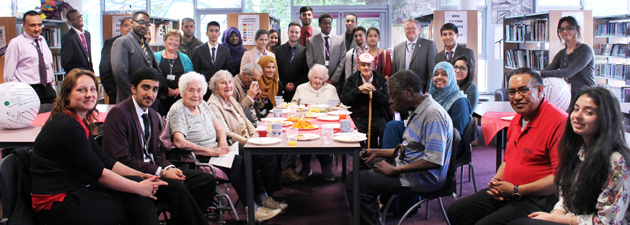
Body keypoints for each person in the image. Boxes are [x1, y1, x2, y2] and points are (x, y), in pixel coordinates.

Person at [31, 69, 167, 225]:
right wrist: (138, 187)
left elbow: (104, 160)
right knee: (134, 201)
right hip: (57, 202)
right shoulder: (67, 126)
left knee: (135, 194)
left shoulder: (77, 121)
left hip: (76, 189)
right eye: (81, 90)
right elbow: (98, 172)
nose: (89, 94)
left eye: (93, 89)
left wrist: (140, 175)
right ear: (67, 94)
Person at [447, 67, 568, 225]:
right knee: (456, 211)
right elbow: (508, 161)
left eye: (523, 90)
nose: (517, 97)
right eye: (512, 92)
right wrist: (496, 181)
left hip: (537, 198)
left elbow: (559, 179)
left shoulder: (559, 122)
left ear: (539, 90)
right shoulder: (517, 119)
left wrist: (516, 190)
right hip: (509, 191)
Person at [103, 68, 216, 225]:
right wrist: (161, 172)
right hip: (134, 175)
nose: (150, 94)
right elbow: (121, 159)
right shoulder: (119, 114)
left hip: (155, 170)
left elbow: (157, 154)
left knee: (206, 181)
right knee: (177, 187)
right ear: (133, 88)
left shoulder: (153, 116)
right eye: (145, 87)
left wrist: (169, 168)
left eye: (155, 89)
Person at [167, 71, 286, 222]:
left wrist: (222, 144)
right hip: (199, 156)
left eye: (198, 90)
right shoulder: (179, 110)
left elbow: (221, 129)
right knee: (238, 161)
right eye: (191, 90)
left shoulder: (202, 105)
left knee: (246, 153)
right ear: (182, 91)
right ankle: (253, 210)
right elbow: (179, 142)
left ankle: (262, 198)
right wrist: (212, 151)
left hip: (216, 150)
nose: (195, 94)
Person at [346, 70, 454, 225]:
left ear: (408, 91)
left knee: (355, 182)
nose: (390, 101)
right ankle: (374, 215)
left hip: (424, 177)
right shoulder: (418, 109)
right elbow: (409, 149)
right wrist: (377, 151)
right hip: (409, 165)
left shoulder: (432, 115)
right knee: (362, 160)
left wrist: (395, 170)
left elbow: (434, 161)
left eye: (393, 95)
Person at [510, 87, 630, 224]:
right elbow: (566, 196)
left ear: (605, 118)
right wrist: (556, 214)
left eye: (588, 112)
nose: (577, 115)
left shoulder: (615, 162)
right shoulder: (577, 149)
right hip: (571, 217)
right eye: (576, 109)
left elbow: (607, 222)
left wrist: (558, 219)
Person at [291, 65, 339, 181]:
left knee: (322, 136)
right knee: (305, 137)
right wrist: (297, 110)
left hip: (326, 122)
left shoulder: (331, 89)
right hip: (305, 121)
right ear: (310, 77)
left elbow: (337, 106)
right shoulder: (301, 88)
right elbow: (293, 103)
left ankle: (325, 166)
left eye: (320, 79)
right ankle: (306, 166)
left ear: (325, 79)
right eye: (315, 77)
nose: (317, 81)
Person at [111, 11, 165, 105]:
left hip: (148, 99)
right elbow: (120, 75)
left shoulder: (144, 43)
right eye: (141, 22)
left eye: (147, 24)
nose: (144, 26)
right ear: (132, 23)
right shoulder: (122, 42)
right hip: (130, 101)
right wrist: (132, 99)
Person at [4, 10, 57, 104]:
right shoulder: (15, 43)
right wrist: (21, 92)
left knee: (52, 117)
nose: (37, 28)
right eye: (32, 25)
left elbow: (48, 66)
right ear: (24, 25)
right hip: (29, 91)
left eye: (39, 25)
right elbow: (9, 75)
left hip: (48, 90)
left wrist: (53, 88)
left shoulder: (42, 40)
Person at [341, 53, 390, 149]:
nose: (366, 68)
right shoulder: (351, 80)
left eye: (369, 65)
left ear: (374, 66)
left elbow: (387, 101)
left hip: (377, 117)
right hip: (357, 117)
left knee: (386, 131)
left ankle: (383, 158)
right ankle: (359, 161)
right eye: (363, 65)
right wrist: (358, 89)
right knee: (357, 135)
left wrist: (375, 92)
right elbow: (344, 100)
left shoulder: (381, 80)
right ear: (358, 67)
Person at [540, 16, 595, 100]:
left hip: (587, 96)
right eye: (561, 29)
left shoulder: (585, 50)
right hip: (568, 95)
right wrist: (534, 73)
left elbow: (568, 72)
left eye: (568, 28)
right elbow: (548, 69)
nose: (564, 31)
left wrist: (541, 74)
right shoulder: (561, 53)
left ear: (576, 30)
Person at [429, 61, 471, 156]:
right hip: (431, 139)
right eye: (436, 74)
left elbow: (456, 134)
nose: (439, 77)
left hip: (449, 147)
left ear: (451, 77)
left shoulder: (459, 101)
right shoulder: (432, 96)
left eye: (444, 74)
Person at [207, 70, 257, 146]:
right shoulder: (213, 105)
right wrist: (249, 141)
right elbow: (226, 134)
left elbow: (246, 121)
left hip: (247, 141)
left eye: (230, 82)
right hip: (235, 145)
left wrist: (255, 136)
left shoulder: (231, 99)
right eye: (223, 83)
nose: (228, 86)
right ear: (215, 89)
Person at [392, 18, 437, 93]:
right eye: (408, 29)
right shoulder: (397, 48)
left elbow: (433, 71)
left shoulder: (428, 45)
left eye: (413, 28)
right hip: (401, 91)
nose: (410, 31)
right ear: (404, 31)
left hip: (421, 91)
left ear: (419, 30)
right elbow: (394, 73)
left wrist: (428, 91)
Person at [307, 13, 347, 94]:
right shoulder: (311, 41)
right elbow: (310, 61)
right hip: (317, 82)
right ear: (319, 25)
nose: (327, 25)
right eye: (324, 23)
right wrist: (319, 78)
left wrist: (333, 79)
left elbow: (342, 60)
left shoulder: (340, 40)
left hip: (335, 82)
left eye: (329, 23)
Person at [154, 30, 194, 111]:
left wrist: (180, 89)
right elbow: (153, 75)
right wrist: (165, 88)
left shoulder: (185, 58)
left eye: (176, 40)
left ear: (179, 43)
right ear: (165, 41)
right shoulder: (155, 56)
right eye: (171, 39)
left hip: (180, 97)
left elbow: (191, 77)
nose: (173, 42)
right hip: (160, 96)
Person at [192, 21, 230, 100]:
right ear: (207, 33)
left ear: (219, 33)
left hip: (219, 89)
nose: (214, 33)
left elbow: (227, 71)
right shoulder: (198, 50)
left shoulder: (225, 50)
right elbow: (196, 71)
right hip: (203, 89)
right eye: (211, 31)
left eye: (216, 31)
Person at [100, 17, 132, 103]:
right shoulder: (111, 43)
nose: (129, 28)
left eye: (132, 26)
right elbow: (104, 68)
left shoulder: (138, 44)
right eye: (126, 25)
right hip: (117, 92)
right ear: (120, 28)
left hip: (135, 93)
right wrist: (111, 90)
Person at [275, 22, 309, 102]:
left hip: (298, 89)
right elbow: (276, 70)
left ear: (300, 34)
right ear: (288, 32)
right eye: (292, 31)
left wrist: (295, 84)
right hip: (282, 89)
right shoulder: (278, 50)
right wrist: (284, 83)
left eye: (296, 32)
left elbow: (305, 71)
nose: (294, 34)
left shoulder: (305, 50)